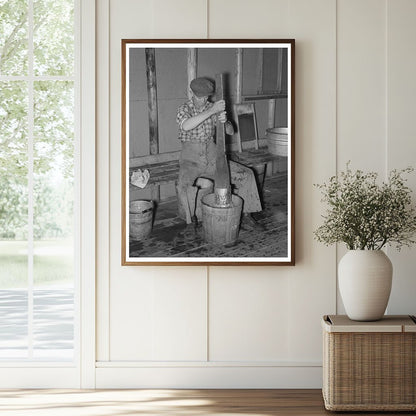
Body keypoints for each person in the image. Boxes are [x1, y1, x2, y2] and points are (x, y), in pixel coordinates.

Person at [176, 77, 262, 225]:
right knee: (183, 186)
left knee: (247, 174)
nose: (203, 100)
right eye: (199, 97)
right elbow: (186, 126)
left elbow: (230, 131)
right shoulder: (185, 109)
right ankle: (191, 221)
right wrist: (212, 111)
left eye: (206, 97)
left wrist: (225, 121)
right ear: (191, 93)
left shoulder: (212, 107)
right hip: (191, 159)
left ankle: (247, 212)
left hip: (212, 157)